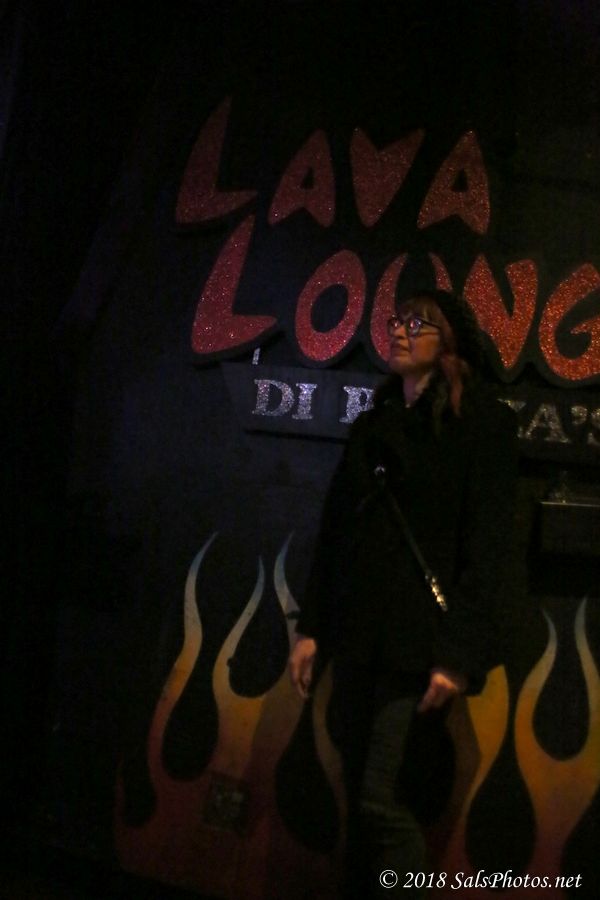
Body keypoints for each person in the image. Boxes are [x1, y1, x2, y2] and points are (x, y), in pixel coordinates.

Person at [288, 290, 519, 898]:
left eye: (418, 323)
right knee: (356, 791)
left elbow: (489, 551)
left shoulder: (482, 425)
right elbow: (336, 533)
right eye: (396, 320)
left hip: (418, 648)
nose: (398, 330)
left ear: (449, 343)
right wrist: (311, 627)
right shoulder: (374, 423)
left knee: (382, 800)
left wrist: (458, 656)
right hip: (358, 638)